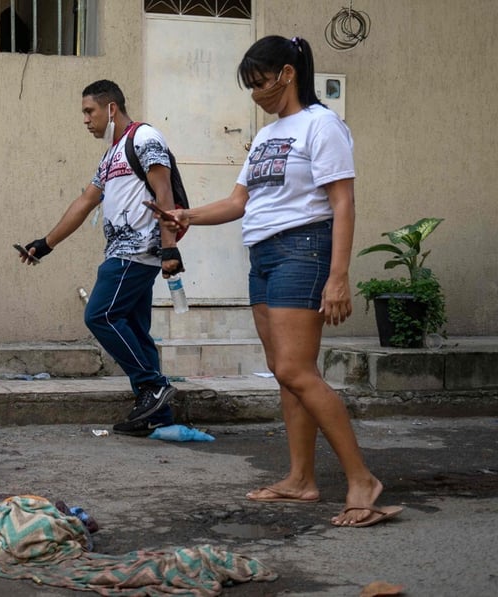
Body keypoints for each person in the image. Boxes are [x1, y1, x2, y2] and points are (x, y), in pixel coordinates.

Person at [165, 36, 402, 528]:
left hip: (304, 249)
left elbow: (342, 202)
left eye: (260, 83)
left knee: (297, 371)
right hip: (265, 255)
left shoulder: (323, 125)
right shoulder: (270, 135)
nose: (255, 94)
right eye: (250, 87)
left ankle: (362, 480)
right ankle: (300, 479)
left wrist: (338, 276)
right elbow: (238, 203)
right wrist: (186, 215)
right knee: (284, 371)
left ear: (288, 74)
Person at [18, 79, 183, 436]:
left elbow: (164, 190)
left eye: (89, 111)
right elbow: (85, 202)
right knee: (137, 332)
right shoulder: (111, 155)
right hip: (123, 252)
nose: (85, 119)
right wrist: (45, 243)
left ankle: (152, 386)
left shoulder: (145, 138)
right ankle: (156, 415)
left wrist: (169, 248)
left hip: (136, 251)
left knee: (100, 315)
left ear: (111, 108)